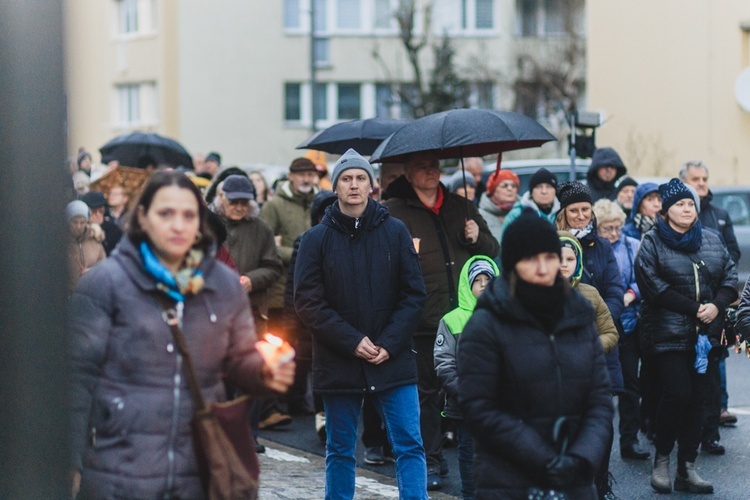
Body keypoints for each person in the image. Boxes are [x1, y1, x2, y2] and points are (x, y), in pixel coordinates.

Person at [68, 170, 295, 498]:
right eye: (166, 213)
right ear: (143, 217)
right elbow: (76, 383)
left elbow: (240, 360)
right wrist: (72, 461)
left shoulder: (223, 286)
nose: (178, 225)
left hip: (196, 470)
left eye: (189, 214)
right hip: (120, 471)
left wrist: (264, 369)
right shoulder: (104, 285)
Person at [294, 149, 428, 499]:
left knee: (409, 444)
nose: (354, 185)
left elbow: (414, 294)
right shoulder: (314, 240)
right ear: (335, 186)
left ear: (372, 186)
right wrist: (352, 341)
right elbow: (308, 302)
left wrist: (389, 343)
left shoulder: (395, 232)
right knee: (339, 449)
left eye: (360, 178)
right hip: (339, 360)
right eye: (346, 178)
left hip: (393, 358)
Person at [458, 209, 614, 499]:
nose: (543, 268)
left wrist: (581, 457)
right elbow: (480, 407)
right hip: (509, 479)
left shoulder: (578, 314)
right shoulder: (487, 323)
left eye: (550, 257)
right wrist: (544, 459)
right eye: (531, 259)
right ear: (513, 264)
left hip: (573, 478)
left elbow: (600, 400)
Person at [382, 151, 499, 490]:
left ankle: (477, 459)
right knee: (427, 393)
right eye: (421, 166)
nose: (430, 172)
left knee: (470, 387)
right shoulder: (394, 211)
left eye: (433, 165)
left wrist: (478, 236)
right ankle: (431, 461)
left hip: (468, 318)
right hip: (424, 318)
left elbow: (491, 252)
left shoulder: (460, 206)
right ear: (407, 171)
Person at [635, 178, 737, 494]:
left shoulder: (711, 239)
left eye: (690, 203)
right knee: (678, 393)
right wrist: (696, 308)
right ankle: (663, 458)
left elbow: (730, 276)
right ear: (665, 211)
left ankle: (687, 468)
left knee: (699, 400)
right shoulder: (651, 242)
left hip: (705, 336)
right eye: (679, 204)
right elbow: (652, 286)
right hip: (666, 333)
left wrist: (716, 306)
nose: (686, 208)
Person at [554, 180, 624, 499]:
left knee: (602, 425)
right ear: (563, 214)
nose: (582, 216)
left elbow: (614, 288)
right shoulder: (550, 245)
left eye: (586, 209)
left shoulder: (602, 246)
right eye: (574, 211)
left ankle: (599, 484)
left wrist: (595, 321)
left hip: (597, 350)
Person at [434, 255, 499, 500]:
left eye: (488, 279)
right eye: (477, 280)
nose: (483, 284)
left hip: (499, 405)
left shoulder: (506, 316)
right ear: (467, 284)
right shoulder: (452, 320)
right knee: (469, 453)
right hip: (467, 404)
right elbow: (443, 364)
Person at [592, 199, 650, 461]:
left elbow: (643, 278)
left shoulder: (632, 245)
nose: (614, 233)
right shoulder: (595, 250)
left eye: (617, 227)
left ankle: (630, 439)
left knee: (630, 384)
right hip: (599, 324)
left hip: (628, 322)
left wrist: (630, 293)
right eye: (608, 229)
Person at [501, 168, 560, 240]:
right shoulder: (516, 215)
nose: (544, 191)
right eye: (538, 187)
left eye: (549, 187)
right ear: (531, 192)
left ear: (555, 191)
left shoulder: (562, 213)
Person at [477, 169, 520, 253]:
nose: (510, 189)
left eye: (514, 186)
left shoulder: (524, 212)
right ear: (493, 190)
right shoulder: (480, 215)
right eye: (504, 186)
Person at [66, 200, 106, 292]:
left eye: (82, 222)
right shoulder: (60, 243)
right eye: (75, 222)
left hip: (91, 294)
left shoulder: (95, 240)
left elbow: (104, 267)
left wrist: (92, 272)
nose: (79, 226)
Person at [80, 190, 124, 256]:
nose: (98, 214)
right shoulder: (79, 229)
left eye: (101, 211)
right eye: (94, 211)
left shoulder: (113, 229)